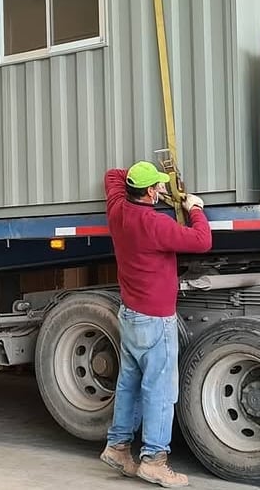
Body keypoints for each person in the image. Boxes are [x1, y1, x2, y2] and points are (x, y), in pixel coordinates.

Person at [99, 161, 212, 488]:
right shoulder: (153, 223)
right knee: (160, 391)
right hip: (154, 318)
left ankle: (118, 448)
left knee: (130, 383)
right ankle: (154, 461)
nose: (163, 189)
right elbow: (201, 241)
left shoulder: (118, 209)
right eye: (158, 186)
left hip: (131, 314)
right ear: (148, 192)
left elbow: (113, 176)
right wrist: (195, 209)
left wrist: (140, 177)